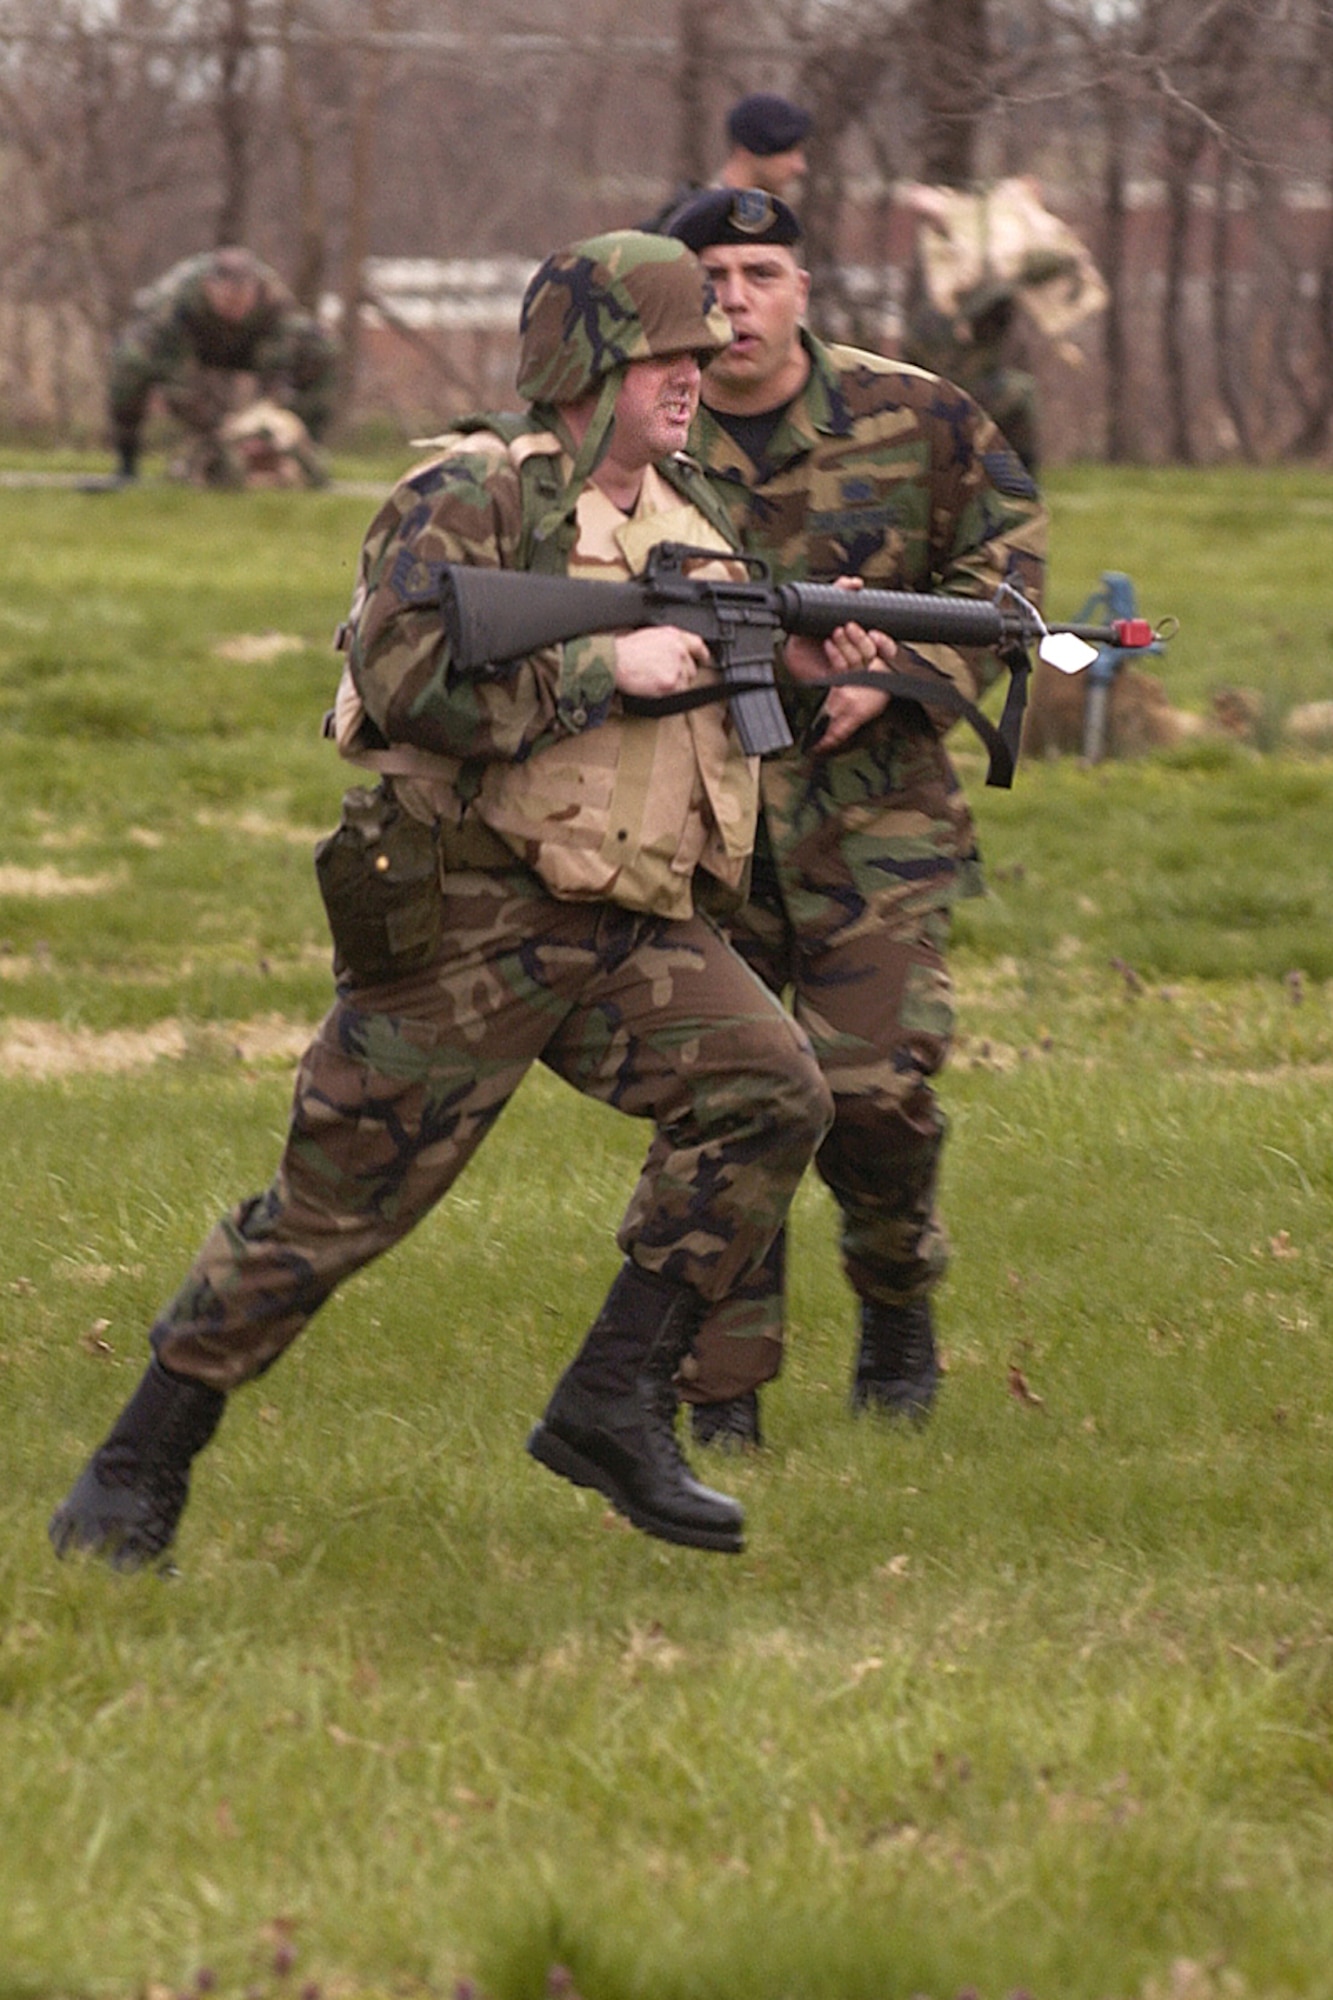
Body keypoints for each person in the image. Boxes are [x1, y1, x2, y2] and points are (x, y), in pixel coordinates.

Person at [49, 231, 833, 1570]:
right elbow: (404, 678)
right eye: (664, 353)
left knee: (773, 1089)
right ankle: (131, 1475)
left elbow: (705, 715)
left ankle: (613, 1402)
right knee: (328, 1218)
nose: (694, 375)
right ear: (588, 359)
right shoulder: (474, 494)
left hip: (629, 922)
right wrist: (604, 669)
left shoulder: (695, 518)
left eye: (701, 354)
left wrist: (809, 663)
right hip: (469, 920)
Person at [661, 188, 1048, 1447]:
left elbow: (1003, 562)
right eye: (710, 274)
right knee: (730, 1101)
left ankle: (894, 1294)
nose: (735, 302)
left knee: (873, 1092)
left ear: (803, 289)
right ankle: (720, 1399)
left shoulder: (916, 412)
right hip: (696, 815)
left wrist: (897, 681)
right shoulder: (633, 433)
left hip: (871, 823)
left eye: (761, 272)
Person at [106, 246, 339, 486]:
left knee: (322, 348)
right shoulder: (175, 300)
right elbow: (176, 383)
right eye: (228, 301)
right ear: (210, 287)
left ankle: (304, 457)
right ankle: (127, 465)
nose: (235, 311)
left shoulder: (273, 296)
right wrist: (216, 428)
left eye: (243, 302)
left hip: (249, 348)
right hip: (193, 348)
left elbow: (282, 357)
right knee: (130, 359)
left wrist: (269, 416)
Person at [903, 277, 1041, 473]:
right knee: (1019, 391)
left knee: (1021, 391)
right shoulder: (932, 322)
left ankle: (1017, 475)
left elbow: (1000, 299)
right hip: (941, 398)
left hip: (973, 393)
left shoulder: (985, 317)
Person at [641, 92, 812, 232]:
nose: (800, 167)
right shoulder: (691, 225)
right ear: (746, 151)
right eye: (788, 153)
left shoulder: (774, 221)